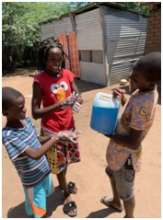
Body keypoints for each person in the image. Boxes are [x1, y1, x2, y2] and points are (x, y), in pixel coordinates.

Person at [101, 52, 161, 218]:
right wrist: (122, 99)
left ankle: (129, 216)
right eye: (132, 73)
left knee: (126, 192)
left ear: (151, 81)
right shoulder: (142, 91)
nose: (130, 77)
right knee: (111, 172)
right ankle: (115, 201)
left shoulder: (145, 102)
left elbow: (134, 142)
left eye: (135, 77)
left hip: (125, 157)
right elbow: (132, 112)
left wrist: (109, 133)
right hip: (118, 151)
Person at [32, 39, 83, 217]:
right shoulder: (39, 80)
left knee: (66, 161)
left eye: (59, 59)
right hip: (53, 131)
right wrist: (59, 105)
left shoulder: (67, 74)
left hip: (69, 127)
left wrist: (77, 100)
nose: (56, 64)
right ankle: (66, 194)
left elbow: (77, 93)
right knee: (59, 165)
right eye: (52, 60)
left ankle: (63, 184)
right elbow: (36, 112)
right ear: (44, 59)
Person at [2, 87, 62, 218]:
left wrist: (55, 136)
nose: (24, 109)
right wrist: (54, 140)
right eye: (20, 107)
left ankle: (31, 208)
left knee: (40, 198)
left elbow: (36, 139)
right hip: (32, 181)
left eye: (24, 105)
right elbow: (35, 154)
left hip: (43, 171)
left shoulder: (27, 121)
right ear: (5, 111)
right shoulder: (8, 135)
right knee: (39, 209)